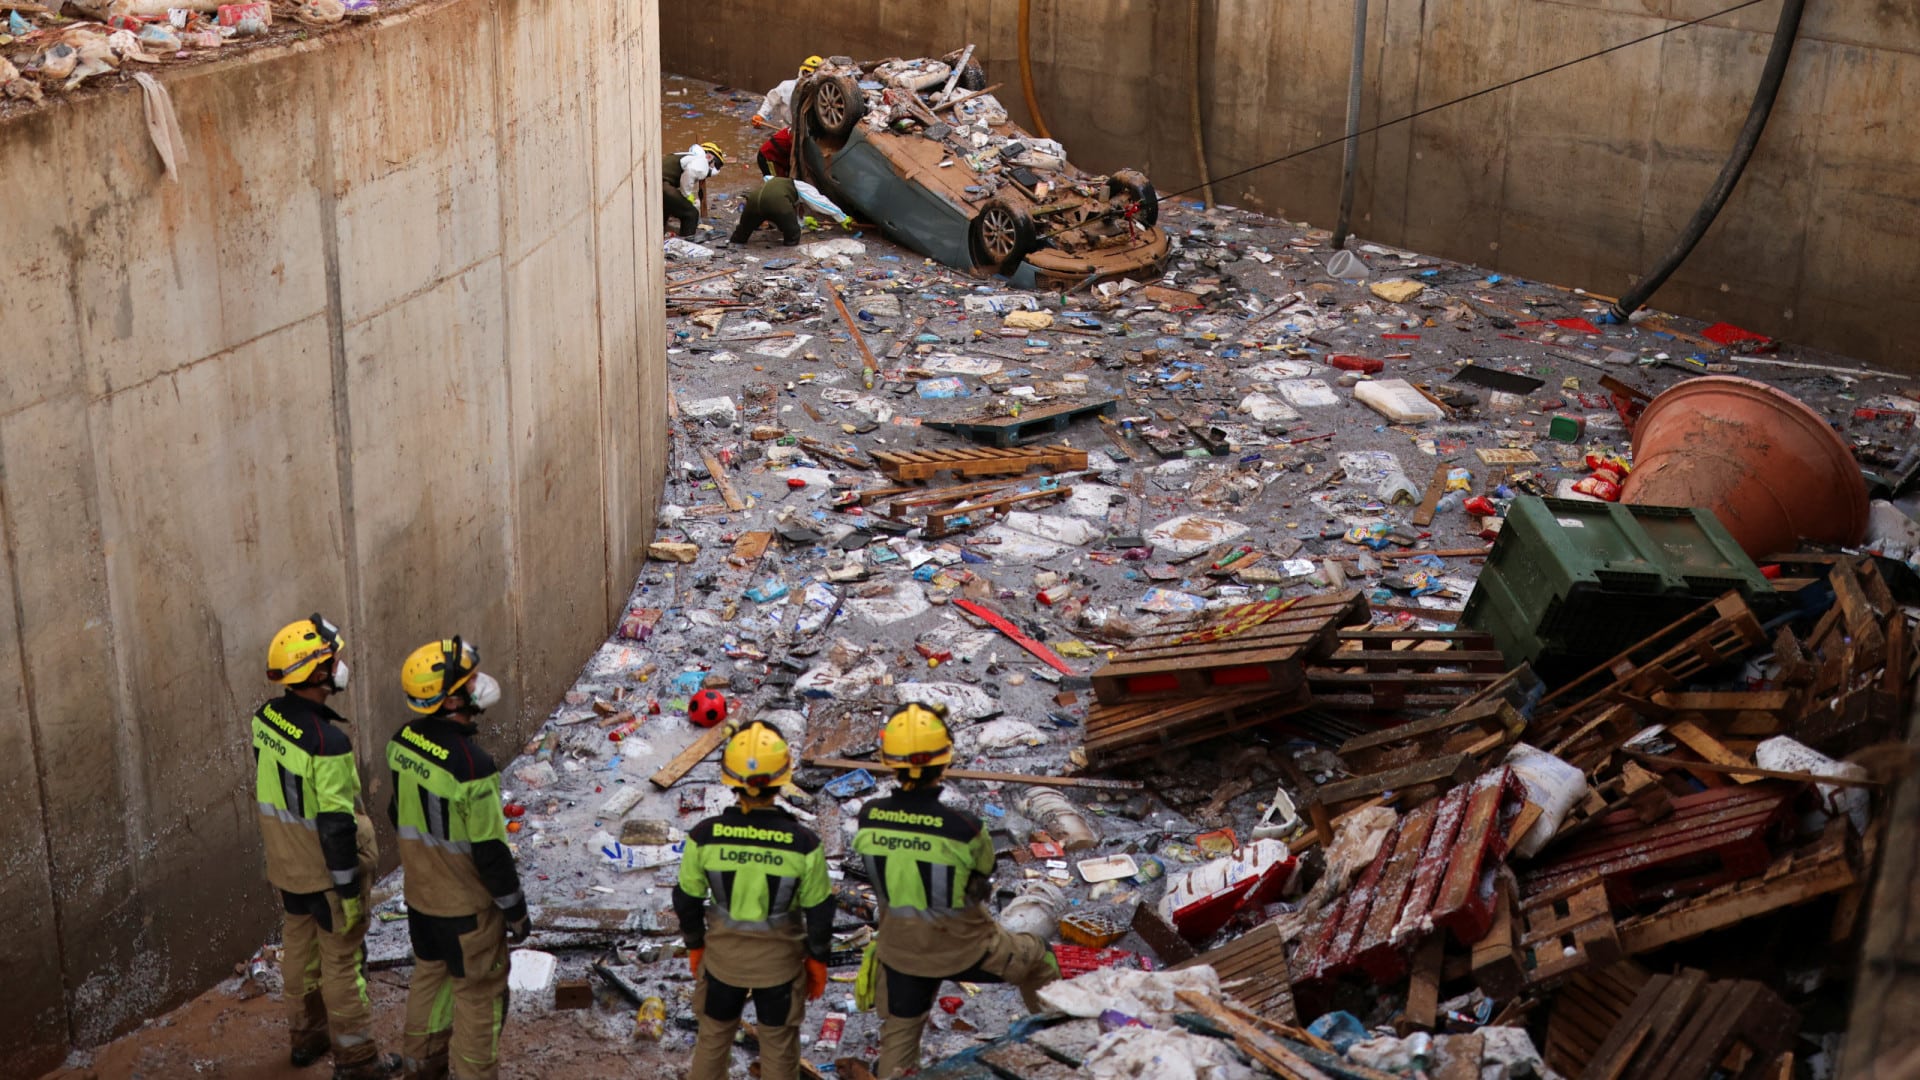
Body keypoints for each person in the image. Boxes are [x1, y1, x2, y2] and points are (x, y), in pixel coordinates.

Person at [852, 705, 1060, 1079]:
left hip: (900, 953)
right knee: (1041, 957)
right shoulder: (964, 827)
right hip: (966, 949)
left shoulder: (868, 816)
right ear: (944, 761)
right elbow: (984, 873)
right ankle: (1059, 1049)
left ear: (889, 762)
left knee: (896, 1056)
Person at [250, 614, 399, 1079]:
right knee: (342, 962)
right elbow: (336, 822)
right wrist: (348, 886)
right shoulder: (327, 742)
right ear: (315, 673)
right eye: (332, 659)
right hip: (326, 869)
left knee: (298, 950)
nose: (340, 665)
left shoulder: (266, 718)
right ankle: (357, 1061)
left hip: (285, 863)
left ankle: (306, 1039)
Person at [386, 638, 529, 1080]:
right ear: (451, 699)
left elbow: (397, 812)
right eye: (469, 681)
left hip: (420, 899)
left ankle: (420, 1066)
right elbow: (489, 851)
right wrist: (515, 910)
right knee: (478, 998)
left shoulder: (402, 741)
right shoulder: (473, 766)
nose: (479, 685)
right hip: (466, 911)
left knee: (429, 979)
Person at [672, 721, 835, 1080]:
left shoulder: (705, 836)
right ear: (782, 779)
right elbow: (820, 911)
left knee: (713, 1039)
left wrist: (695, 946)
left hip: (721, 964)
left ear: (729, 779)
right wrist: (818, 959)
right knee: (778, 1047)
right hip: (780, 968)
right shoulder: (803, 843)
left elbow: (686, 900)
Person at [731, 175, 853, 247]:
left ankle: (737, 241)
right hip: (776, 203)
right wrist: (841, 216)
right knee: (793, 233)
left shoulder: (775, 182)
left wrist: (803, 221)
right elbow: (819, 202)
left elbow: (777, 221)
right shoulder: (800, 186)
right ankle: (789, 247)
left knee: (743, 229)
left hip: (753, 200)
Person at [664, 141, 726, 238]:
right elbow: (691, 172)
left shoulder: (688, 156)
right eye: (717, 164)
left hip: (657, 183)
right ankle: (686, 242)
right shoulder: (701, 161)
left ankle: (662, 231)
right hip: (662, 184)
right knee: (691, 214)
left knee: (669, 205)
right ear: (710, 158)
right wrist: (686, 195)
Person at [752, 55, 824, 131]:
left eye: (811, 74)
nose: (807, 76)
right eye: (806, 72)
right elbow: (770, 100)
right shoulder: (787, 87)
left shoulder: (823, 93)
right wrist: (761, 115)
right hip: (787, 130)